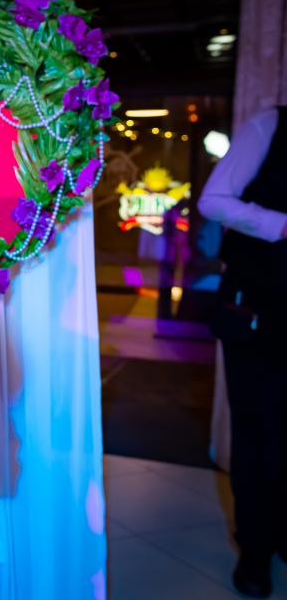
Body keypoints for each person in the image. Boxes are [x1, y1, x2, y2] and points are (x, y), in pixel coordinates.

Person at [199, 106, 287, 599]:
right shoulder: (269, 126)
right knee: (258, 434)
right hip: (257, 312)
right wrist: (280, 224)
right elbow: (213, 201)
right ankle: (254, 550)